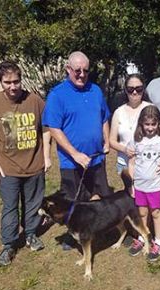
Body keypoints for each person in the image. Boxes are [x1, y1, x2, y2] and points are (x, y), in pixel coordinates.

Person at [0, 61, 51, 267]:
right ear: (0, 82)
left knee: (33, 204)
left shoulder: (35, 101)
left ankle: (30, 234)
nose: (13, 86)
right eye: (7, 82)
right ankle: (8, 245)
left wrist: (46, 156)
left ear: (21, 80)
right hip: (7, 168)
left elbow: (46, 129)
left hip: (34, 165)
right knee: (10, 207)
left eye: (16, 81)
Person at [42, 51, 112, 249]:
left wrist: (106, 139)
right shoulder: (57, 95)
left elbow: (104, 116)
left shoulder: (95, 90)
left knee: (100, 197)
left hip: (96, 159)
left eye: (85, 70)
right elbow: (54, 128)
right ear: (68, 69)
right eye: (77, 70)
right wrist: (74, 153)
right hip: (71, 162)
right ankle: (73, 234)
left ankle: (101, 229)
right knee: (73, 202)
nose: (81, 74)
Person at [127, 106, 160, 261]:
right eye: (147, 124)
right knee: (142, 213)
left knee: (155, 212)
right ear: (141, 123)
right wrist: (131, 184)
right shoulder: (136, 140)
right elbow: (132, 164)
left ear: (158, 123)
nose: (150, 128)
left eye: (153, 124)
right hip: (140, 186)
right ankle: (143, 237)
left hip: (156, 186)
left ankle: (159, 242)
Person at [109, 74, 151, 192]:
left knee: (146, 198)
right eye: (130, 89)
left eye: (138, 89)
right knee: (131, 196)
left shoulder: (151, 109)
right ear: (125, 90)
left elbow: (159, 136)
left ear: (143, 89)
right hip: (124, 163)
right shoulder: (118, 112)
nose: (134, 92)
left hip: (147, 162)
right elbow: (112, 140)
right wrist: (125, 150)